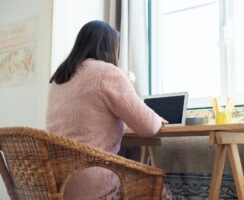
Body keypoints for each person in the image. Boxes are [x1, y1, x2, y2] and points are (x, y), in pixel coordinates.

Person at [46, 20, 170, 199]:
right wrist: (157, 119)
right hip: (92, 186)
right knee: (158, 189)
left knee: (130, 154)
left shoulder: (59, 79)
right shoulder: (106, 73)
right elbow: (148, 127)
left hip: (56, 183)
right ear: (110, 47)